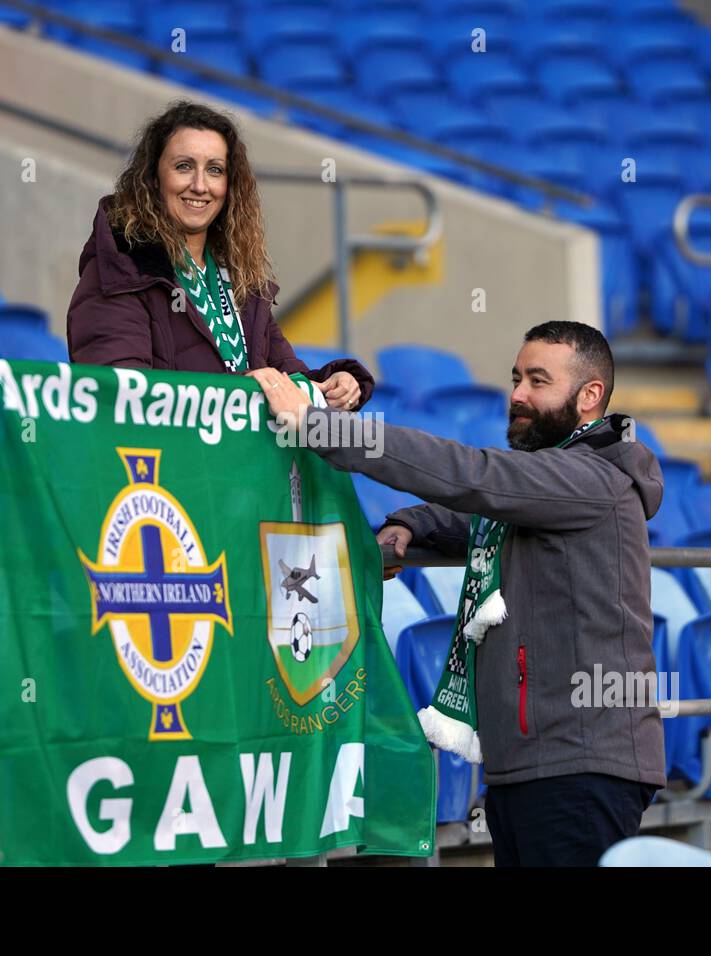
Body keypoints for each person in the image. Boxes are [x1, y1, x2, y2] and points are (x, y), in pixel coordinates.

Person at [253, 321, 666, 867]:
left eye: (537, 381)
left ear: (589, 396)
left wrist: (321, 427)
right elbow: (480, 509)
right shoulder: (561, 477)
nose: (517, 394)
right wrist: (412, 526)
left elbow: (475, 477)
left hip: (579, 769)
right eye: (516, 377)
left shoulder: (595, 478)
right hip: (532, 764)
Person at [66, 100, 372, 410]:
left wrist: (336, 385)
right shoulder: (122, 272)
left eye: (215, 170)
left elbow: (287, 377)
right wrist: (239, 392)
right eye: (183, 166)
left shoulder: (240, 282)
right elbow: (121, 401)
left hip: (241, 458)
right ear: (154, 179)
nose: (200, 186)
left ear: (230, 185)